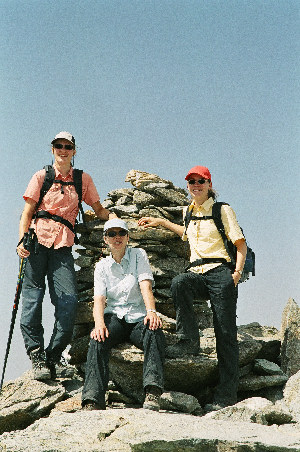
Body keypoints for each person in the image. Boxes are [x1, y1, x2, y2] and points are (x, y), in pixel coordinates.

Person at [138, 165, 247, 411]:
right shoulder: (189, 211)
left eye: (201, 181)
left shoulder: (222, 210)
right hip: (197, 272)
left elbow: (241, 244)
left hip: (221, 273)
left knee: (225, 334)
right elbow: (185, 233)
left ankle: (226, 394)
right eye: (191, 182)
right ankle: (189, 340)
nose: (196, 185)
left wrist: (236, 274)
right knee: (179, 283)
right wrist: (162, 221)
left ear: (210, 184)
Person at [17, 131, 116, 381]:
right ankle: (37, 354)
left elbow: (98, 209)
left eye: (67, 146)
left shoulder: (82, 179)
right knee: (32, 299)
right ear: (52, 149)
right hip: (37, 243)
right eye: (58, 146)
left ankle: (54, 354)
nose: (63, 150)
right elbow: (27, 212)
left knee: (68, 300)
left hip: (62, 245)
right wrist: (21, 241)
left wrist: (112, 217)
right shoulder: (42, 176)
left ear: (74, 150)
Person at [81, 218, 165, 411]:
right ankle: (92, 400)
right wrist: (99, 324)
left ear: (128, 237)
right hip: (116, 318)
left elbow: (145, 285)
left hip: (137, 316)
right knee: (97, 339)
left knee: (154, 331)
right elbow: (100, 299)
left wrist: (151, 311)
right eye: (112, 234)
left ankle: (152, 392)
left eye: (121, 233)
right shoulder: (101, 266)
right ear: (105, 239)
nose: (117, 237)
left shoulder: (138, 255)